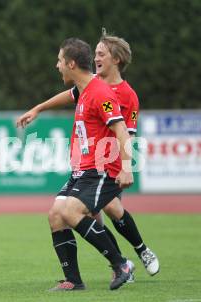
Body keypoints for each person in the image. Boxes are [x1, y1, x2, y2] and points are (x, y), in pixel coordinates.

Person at [17, 31, 159, 290]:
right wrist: (37, 108)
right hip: (83, 170)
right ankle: (73, 281)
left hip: (103, 169)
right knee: (56, 216)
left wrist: (127, 169)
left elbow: (122, 130)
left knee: (75, 211)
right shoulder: (85, 89)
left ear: (71, 64)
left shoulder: (102, 93)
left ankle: (122, 264)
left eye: (60, 60)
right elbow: (69, 97)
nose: (57, 65)